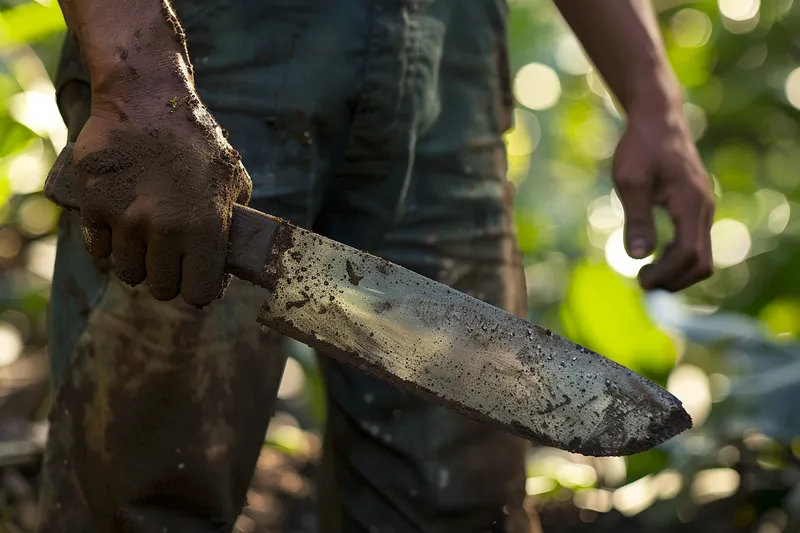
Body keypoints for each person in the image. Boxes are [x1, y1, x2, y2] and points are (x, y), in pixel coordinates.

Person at [38, 0, 715, 532]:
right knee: (143, 491)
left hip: (452, 71)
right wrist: (138, 77)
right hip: (204, 56)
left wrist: (655, 100)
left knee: (455, 499)